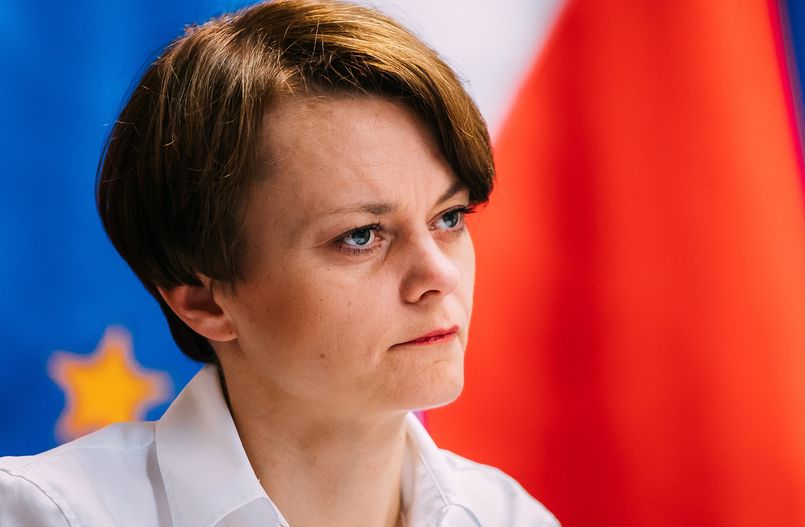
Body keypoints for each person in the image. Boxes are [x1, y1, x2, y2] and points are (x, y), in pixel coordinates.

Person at [0, 1, 559, 525]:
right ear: (204, 299)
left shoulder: (509, 516)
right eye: (360, 236)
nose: (440, 275)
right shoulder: (48, 514)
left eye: (450, 217)